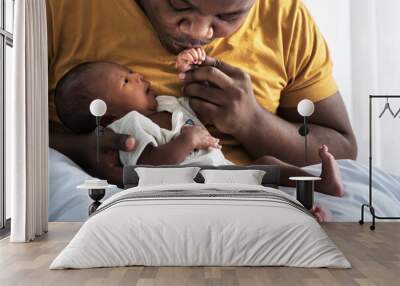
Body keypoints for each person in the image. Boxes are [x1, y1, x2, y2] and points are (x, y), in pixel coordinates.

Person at [47, 0, 357, 186]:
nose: (198, 33)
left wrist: (252, 122)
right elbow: (11, 130)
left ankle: (316, 187)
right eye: (179, 5)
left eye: (228, 17)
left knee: (269, 166)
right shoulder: (58, 9)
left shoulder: (285, 16)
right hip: (160, 188)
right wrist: (80, 147)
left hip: (235, 176)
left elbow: (343, 148)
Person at [54, 59, 344, 203]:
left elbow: (195, 98)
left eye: (131, 71)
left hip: (223, 171)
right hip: (193, 185)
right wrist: (188, 140)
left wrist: (194, 61)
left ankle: (320, 184)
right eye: (126, 82)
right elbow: (148, 167)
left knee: (268, 163)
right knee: (259, 191)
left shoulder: (166, 103)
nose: (138, 76)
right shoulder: (129, 125)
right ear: (110, 114)